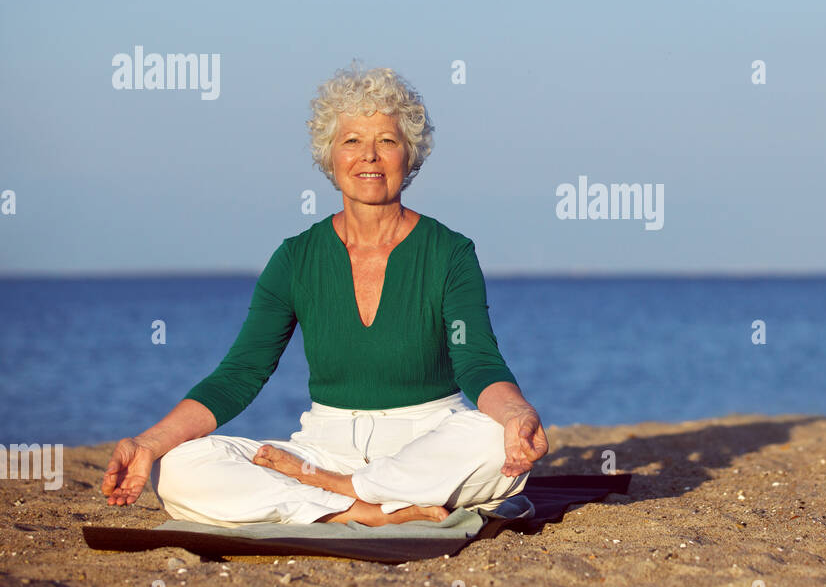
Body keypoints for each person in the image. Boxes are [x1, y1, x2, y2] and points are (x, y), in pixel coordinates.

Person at [100, 64, 548, 527]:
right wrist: (148, 444)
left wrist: (517, 413)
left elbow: (477, 362)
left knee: (492, 439)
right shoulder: (296, 257)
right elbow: (240, 374)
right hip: (323, 448)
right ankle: (366, 511)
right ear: (330, 156)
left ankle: (339, 496)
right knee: (180, 467)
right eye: (352, 140)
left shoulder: (450, 252)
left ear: (409, 156)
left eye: (387, 141)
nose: (369, 156)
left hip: (426, 439)